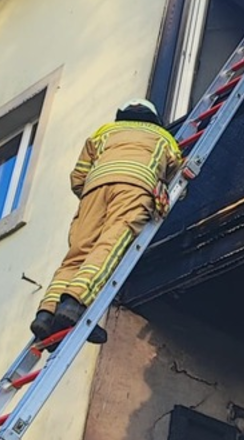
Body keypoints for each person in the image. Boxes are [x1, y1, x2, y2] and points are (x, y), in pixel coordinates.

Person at [30, 98, 182, 344]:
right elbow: (176, 175)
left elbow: (78, 177)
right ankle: (75, 305)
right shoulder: (163, 137)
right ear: (153, 118)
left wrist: (94, 191)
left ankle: (47, 313)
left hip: (93, 191)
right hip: (134, 188)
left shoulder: (103, 133)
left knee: (77, 254)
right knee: (110, 245)